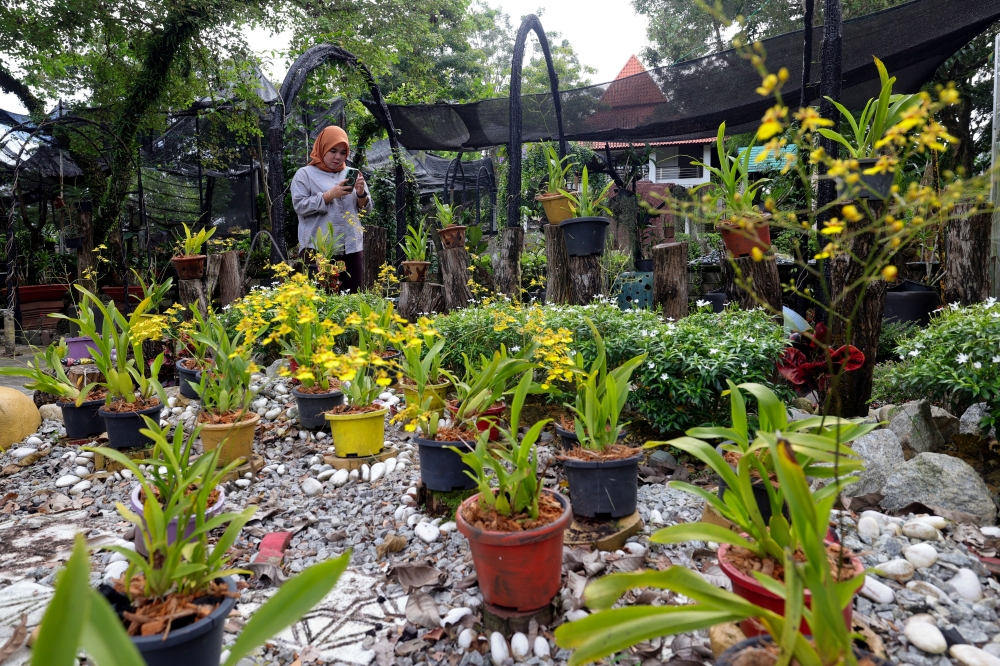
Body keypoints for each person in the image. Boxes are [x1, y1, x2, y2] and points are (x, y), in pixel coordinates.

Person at [290, 125, 372, 293]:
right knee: (320, 299)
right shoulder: (304, 174)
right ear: (322, 148)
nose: (338, 157)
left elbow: (366, 210)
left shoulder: (353, 173)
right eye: (333, 151)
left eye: (343, 153)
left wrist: (361, 193)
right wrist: (329, 195)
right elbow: (299, 206)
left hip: (351, 247)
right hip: (318, 249)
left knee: (352, 296)